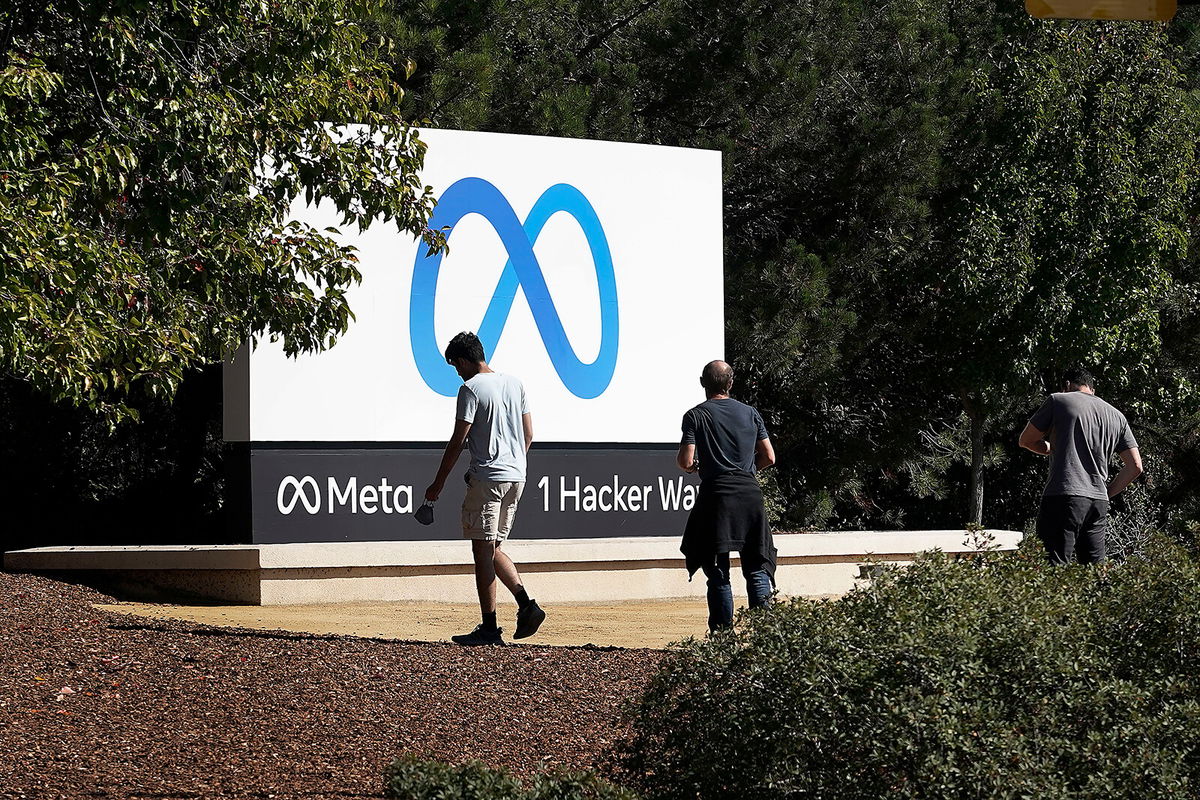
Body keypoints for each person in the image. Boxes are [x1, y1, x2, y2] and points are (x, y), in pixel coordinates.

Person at [424, 331, 546, 645]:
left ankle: (490, 628)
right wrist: (513, 462)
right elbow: (528, 433)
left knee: (481, 550)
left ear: (463, 360)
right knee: (494, 548)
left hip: (488, 478)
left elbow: (458, 440)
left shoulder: (470, 389)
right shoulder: (515, 383)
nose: (457, 372)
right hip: (516, 476)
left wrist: (438, 484)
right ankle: (526, 605)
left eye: (455, 366)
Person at [677, 360, 777, 631]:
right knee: (756, 566)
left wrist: (700, 467)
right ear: (731, 383)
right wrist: (745, 470)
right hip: (750, 496)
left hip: (716, 497)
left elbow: (685, 461)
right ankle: (765, 637)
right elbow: (769, 456)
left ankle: (723, 640)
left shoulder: (695, 415)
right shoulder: (751, 413)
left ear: (702, 383)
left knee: (718, 574)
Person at [1018, 366, 1143, 565]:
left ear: (1067, 384)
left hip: (1064, 495)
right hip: (1098, 502)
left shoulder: (1058, 400)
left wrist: (1052, 448)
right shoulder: (1117, 416)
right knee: (1093, 573)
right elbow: (1135, 466)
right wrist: (1106, 492)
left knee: (1052, 567)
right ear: (1092, 388)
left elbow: (1026, 440)